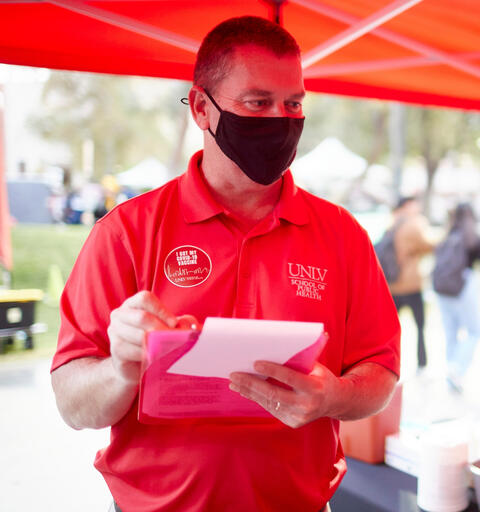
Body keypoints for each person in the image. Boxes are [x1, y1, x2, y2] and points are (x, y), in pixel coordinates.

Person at [50, 16, 400, 512]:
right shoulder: (126, 233)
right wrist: (122, 370)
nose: (281, 119)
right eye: (258, 103)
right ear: (201, 107)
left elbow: (380, 373)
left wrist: (333, 395)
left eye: (294, 103)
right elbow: (71, 401)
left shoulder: (342, 235)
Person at [433, 202, 480, 392]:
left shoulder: (446, 236)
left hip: (442, 289)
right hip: (464, 286)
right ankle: (457, 370)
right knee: (474, 330)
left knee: (450, 330)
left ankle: (451, 369)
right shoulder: (472, 238)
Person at [387, 196, 434, 371]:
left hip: (392, 284)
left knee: (390, 330)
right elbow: (429, 245)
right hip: (411, 284)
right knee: (420, 326)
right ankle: (422, 362)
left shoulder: (391, 224)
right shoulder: (413, 225)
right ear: (407, 205)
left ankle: (390, 362)